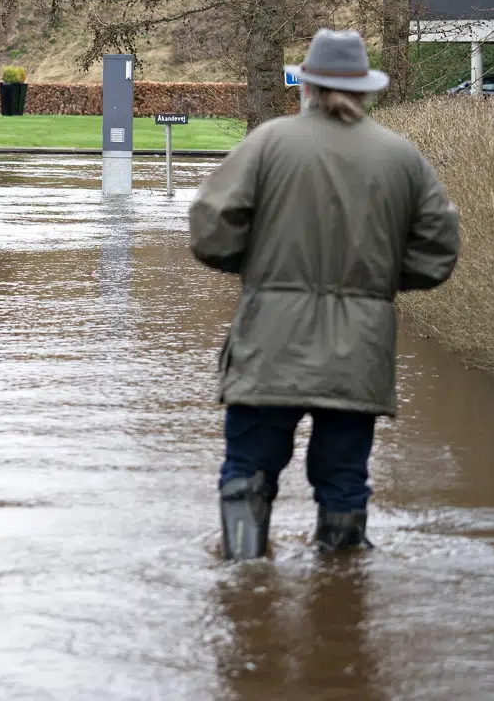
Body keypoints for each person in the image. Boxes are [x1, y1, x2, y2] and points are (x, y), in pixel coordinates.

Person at [189, 29, 461, 560]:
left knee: (248, 469)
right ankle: (339, 593)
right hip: (359, 349)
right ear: (365, 89)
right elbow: (439, 250)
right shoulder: (402, 157)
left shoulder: (268, 143)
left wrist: (251, 266)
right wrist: (377, 283)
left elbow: (209, 227)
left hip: (270, 340)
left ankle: (245, 579)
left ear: (308, 85)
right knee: (344, 479)